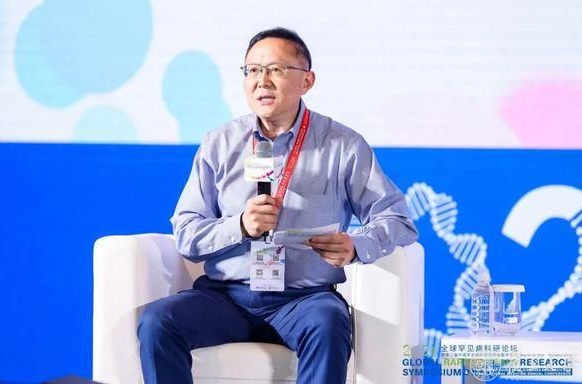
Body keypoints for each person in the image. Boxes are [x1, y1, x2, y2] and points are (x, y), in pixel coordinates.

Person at [137, 27, 419, 384]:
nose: (262, 81)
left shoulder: (343, 146)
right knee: (158, 321)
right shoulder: (219, 143)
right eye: (252, 70)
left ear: (307, 81)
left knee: (329, 322)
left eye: (276, 69)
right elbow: (186, 233)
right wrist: (240, 225)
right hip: (226, 297)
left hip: (303, 300)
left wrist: (355, 245)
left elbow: (398, 219)